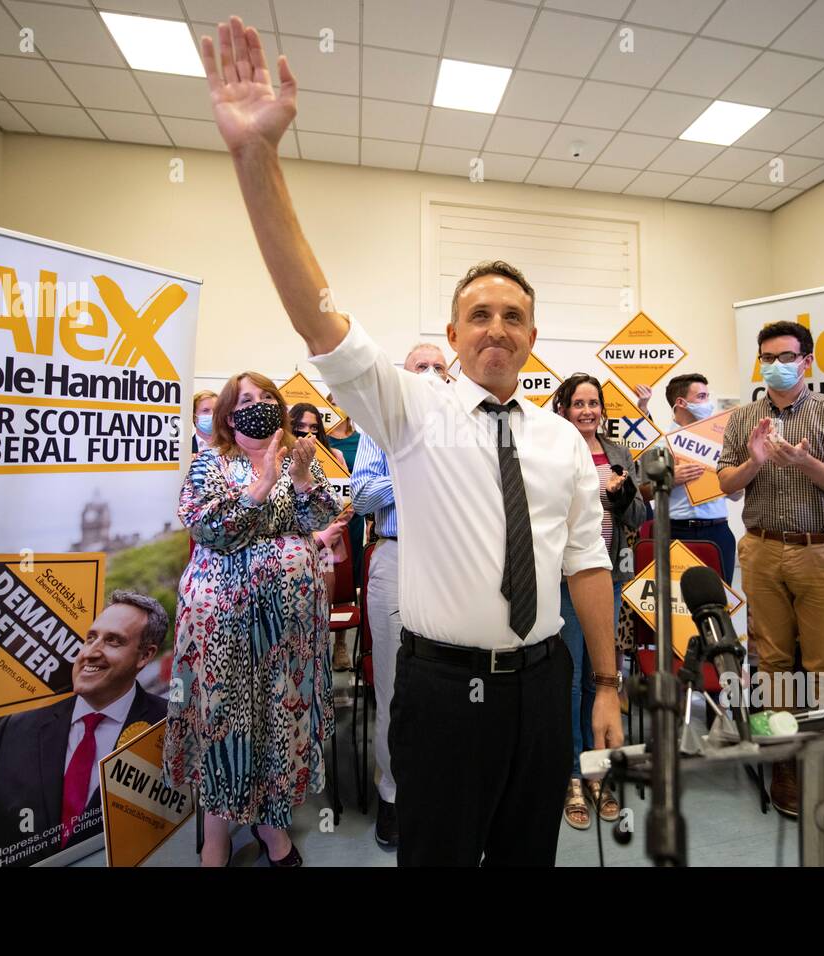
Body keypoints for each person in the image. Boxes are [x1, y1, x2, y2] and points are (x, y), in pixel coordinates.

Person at [196, 17, 623, 866]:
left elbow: (587, 563)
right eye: (479, 315)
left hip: (543, 687)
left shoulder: (560, 441)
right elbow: (315, 312)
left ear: (532, 337)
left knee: (525, 856)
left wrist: (605, 682)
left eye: (513, 316)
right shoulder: (411, 412)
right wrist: (257, 158)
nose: (496, 327)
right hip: (439, 691)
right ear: (454, 334)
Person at [164, 370, 340, 867]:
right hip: (224, 625)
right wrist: (260, 486)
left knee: (280, 721)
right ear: (226, 412)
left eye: (267, 396)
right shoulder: (209, 464)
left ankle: (271, 825)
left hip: (291, 628)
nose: (259, 404)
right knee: (226, 722)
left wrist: (302, 479)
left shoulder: (297, 459)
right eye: (246, 398)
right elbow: (207, 528)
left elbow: (320, 517)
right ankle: (216, 836)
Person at [717, 319, 824, 817]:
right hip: (761, 550)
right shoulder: (743, 419)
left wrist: (807, 465)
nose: (776, 367)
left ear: (807, 361)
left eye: (786, 357)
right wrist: (756, 461)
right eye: (768, 358)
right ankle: (784, 763)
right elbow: (728, 486)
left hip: (820, 551)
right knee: (773, 662)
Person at [0, 591, 169, 867]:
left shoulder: (170, 729)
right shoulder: (14, 731)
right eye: (91, 638)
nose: (90, 652)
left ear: (145, 655)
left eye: (113, 641)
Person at [350, 342, 450, 850]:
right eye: (420, 367)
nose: (431, 373)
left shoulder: (465, 427)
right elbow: (361, 496)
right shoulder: (380, 426)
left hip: (454, 563)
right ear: (403, 377)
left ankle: (441, 790)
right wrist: (408, 467)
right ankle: (393, 794)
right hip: (396, 556)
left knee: (452, 682)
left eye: (439, 366)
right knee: (393, 683)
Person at [551, 373, 645, 831]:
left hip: (608, 575)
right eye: (578, 403)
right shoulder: (554, 447)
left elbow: (640, 514)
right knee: (569, 679)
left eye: (593, 403)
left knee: (600, 676)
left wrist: (622, 492)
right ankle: (571, 774)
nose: (587, 411)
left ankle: (596, 768)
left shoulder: (619, 452)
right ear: (564, 408)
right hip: (565, 579)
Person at [638, 374, 740, 580]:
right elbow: (642, 493)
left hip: (717, 531)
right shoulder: (660, 443)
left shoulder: (722, 441)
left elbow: (737, 495)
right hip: (673, 530)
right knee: (674, 604)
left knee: (719, 603)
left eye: (707, 396)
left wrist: (731, 479)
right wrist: (668, 480)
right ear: (681, 403)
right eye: (701, 397)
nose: (708, 404)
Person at [290, 401, 358, 670]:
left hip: (327, 548)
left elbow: (346, 502)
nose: (308, 433)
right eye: (301, 427)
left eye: (314, 428)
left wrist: (327, 533)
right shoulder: (275, 459)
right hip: (291, 552)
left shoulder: (334, 457)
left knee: (321, 617)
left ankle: (331, 653)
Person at [325, 401, 366, 598]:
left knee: (351, 562)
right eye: (333, 403)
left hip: (353, 512)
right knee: (329, 564)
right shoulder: (322, 441)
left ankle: (347, 612)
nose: (338, 406)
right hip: (326, 514)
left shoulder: (361, 440)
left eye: (342, 401)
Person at [192, 389, 217, 454]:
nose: (213, 415)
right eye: (205, 410)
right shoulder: (183, 448)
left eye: (216, 410)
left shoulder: (232, 447)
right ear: (194, 417)